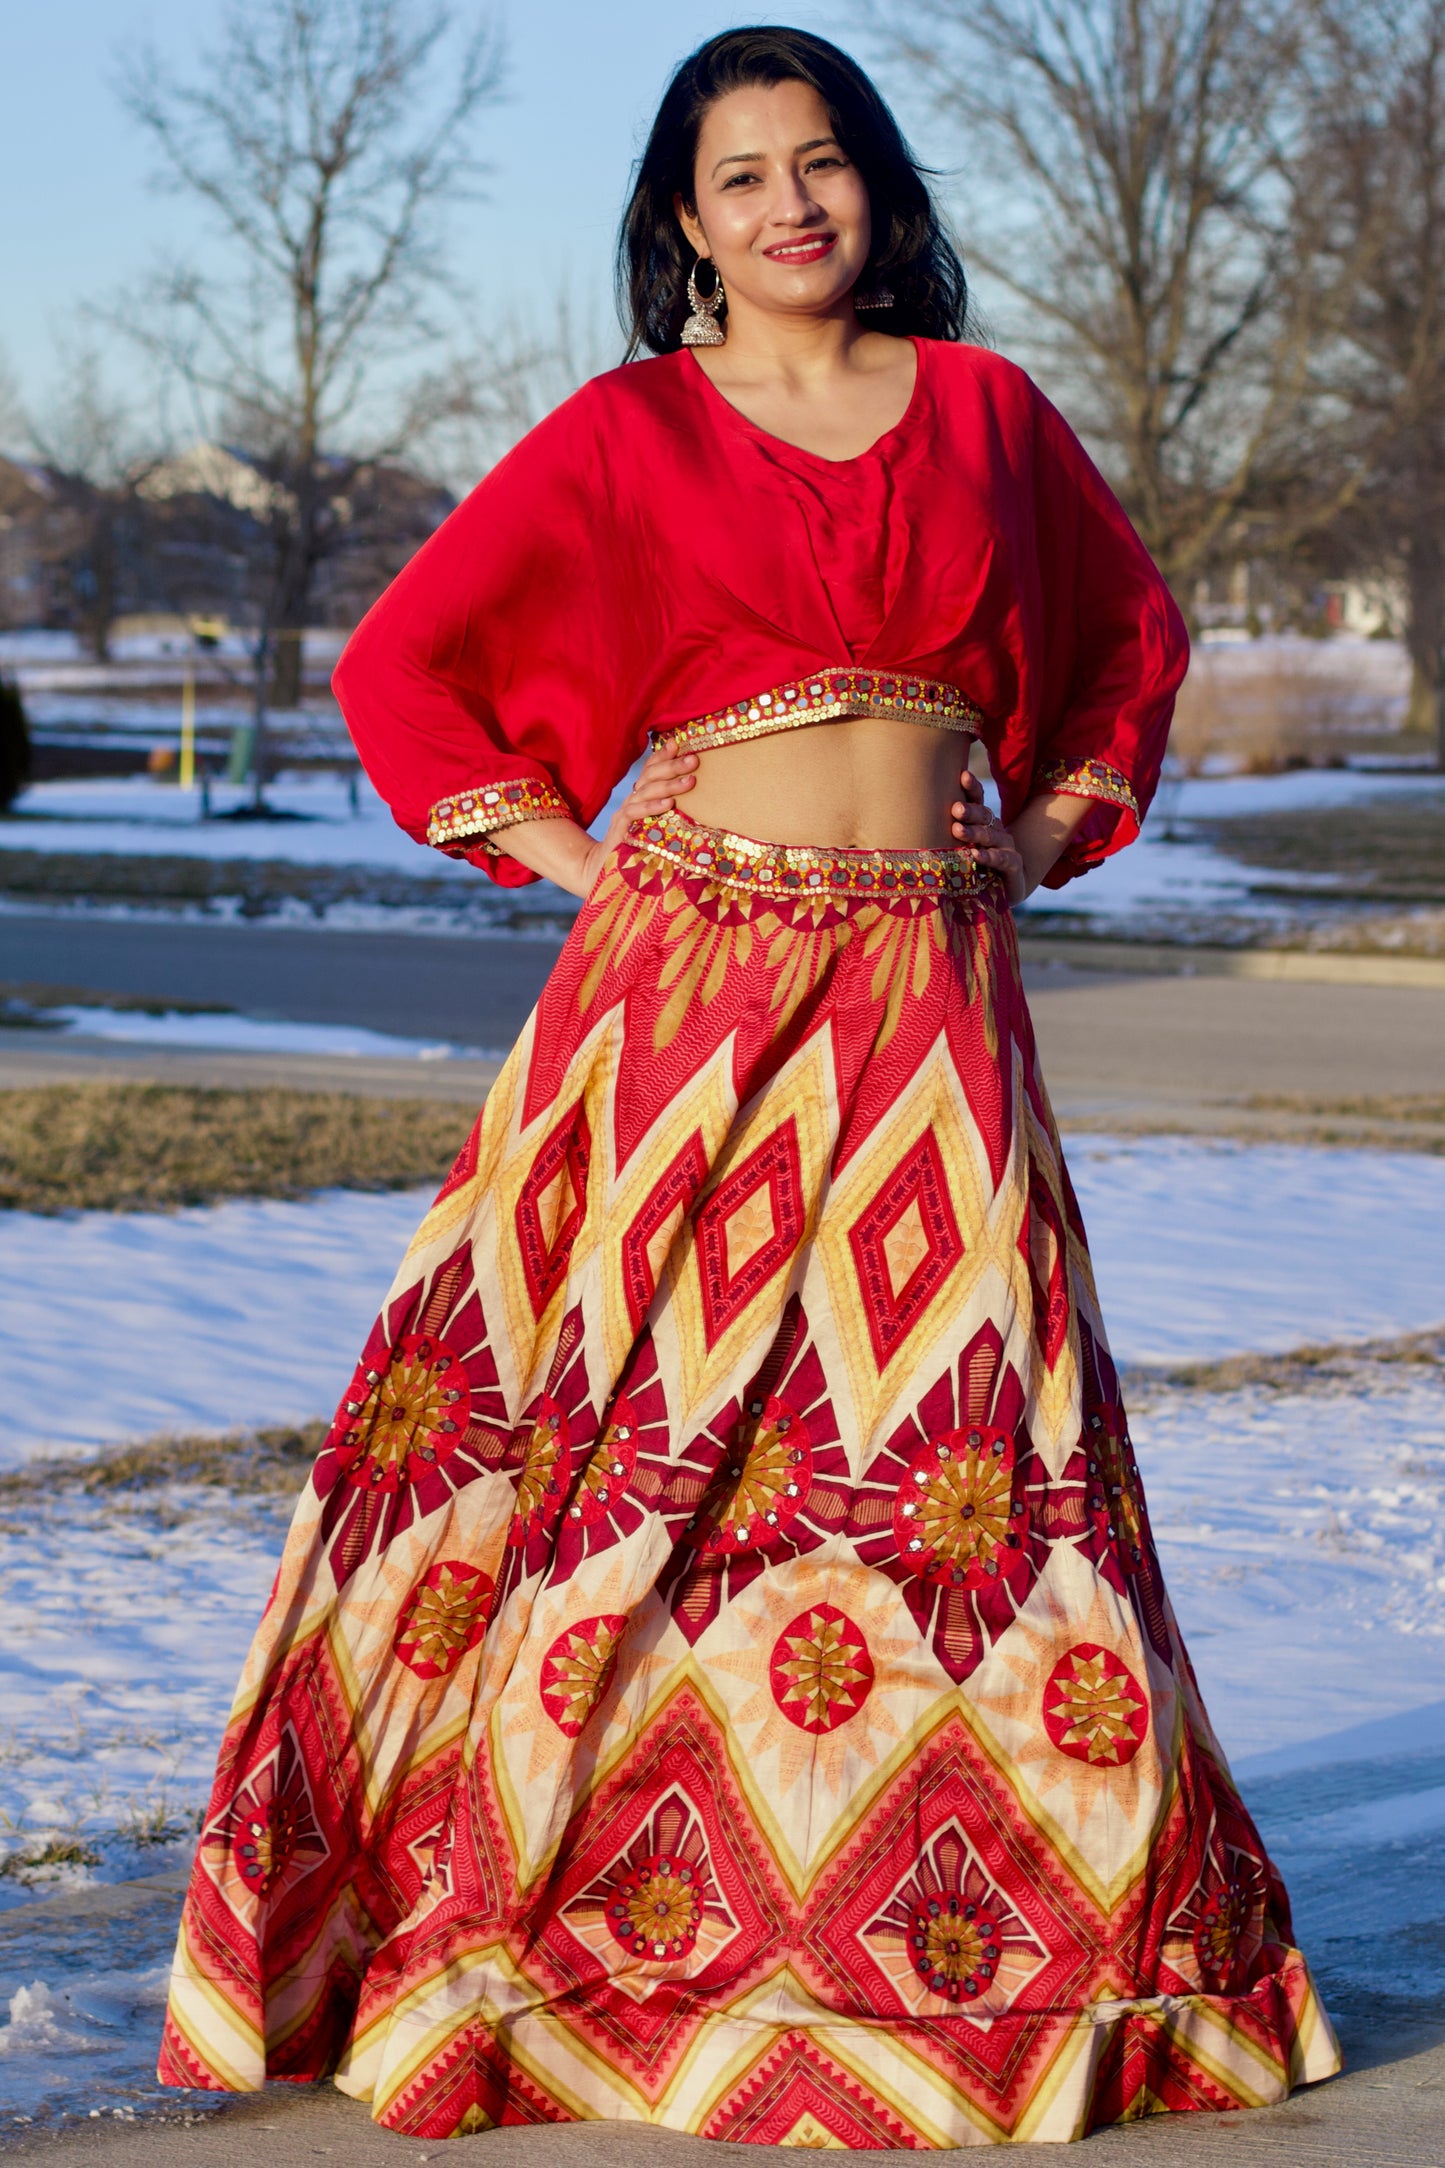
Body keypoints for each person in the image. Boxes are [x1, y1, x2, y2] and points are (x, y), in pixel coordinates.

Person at [159, 27, 1339, 2147]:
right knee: (641, 1441)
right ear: (686, 226)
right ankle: (556, 1922)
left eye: (823, 164)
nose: (791, 204)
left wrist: (1050, 832)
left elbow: (1127, 637)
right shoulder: (628, 431)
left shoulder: (986, 411)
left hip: (932, 1004)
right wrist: (565, 847)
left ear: (877, 188)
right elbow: (399, 665)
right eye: (741, 178)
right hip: (680, 995)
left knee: (967, 1446)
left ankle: (999, 1948)